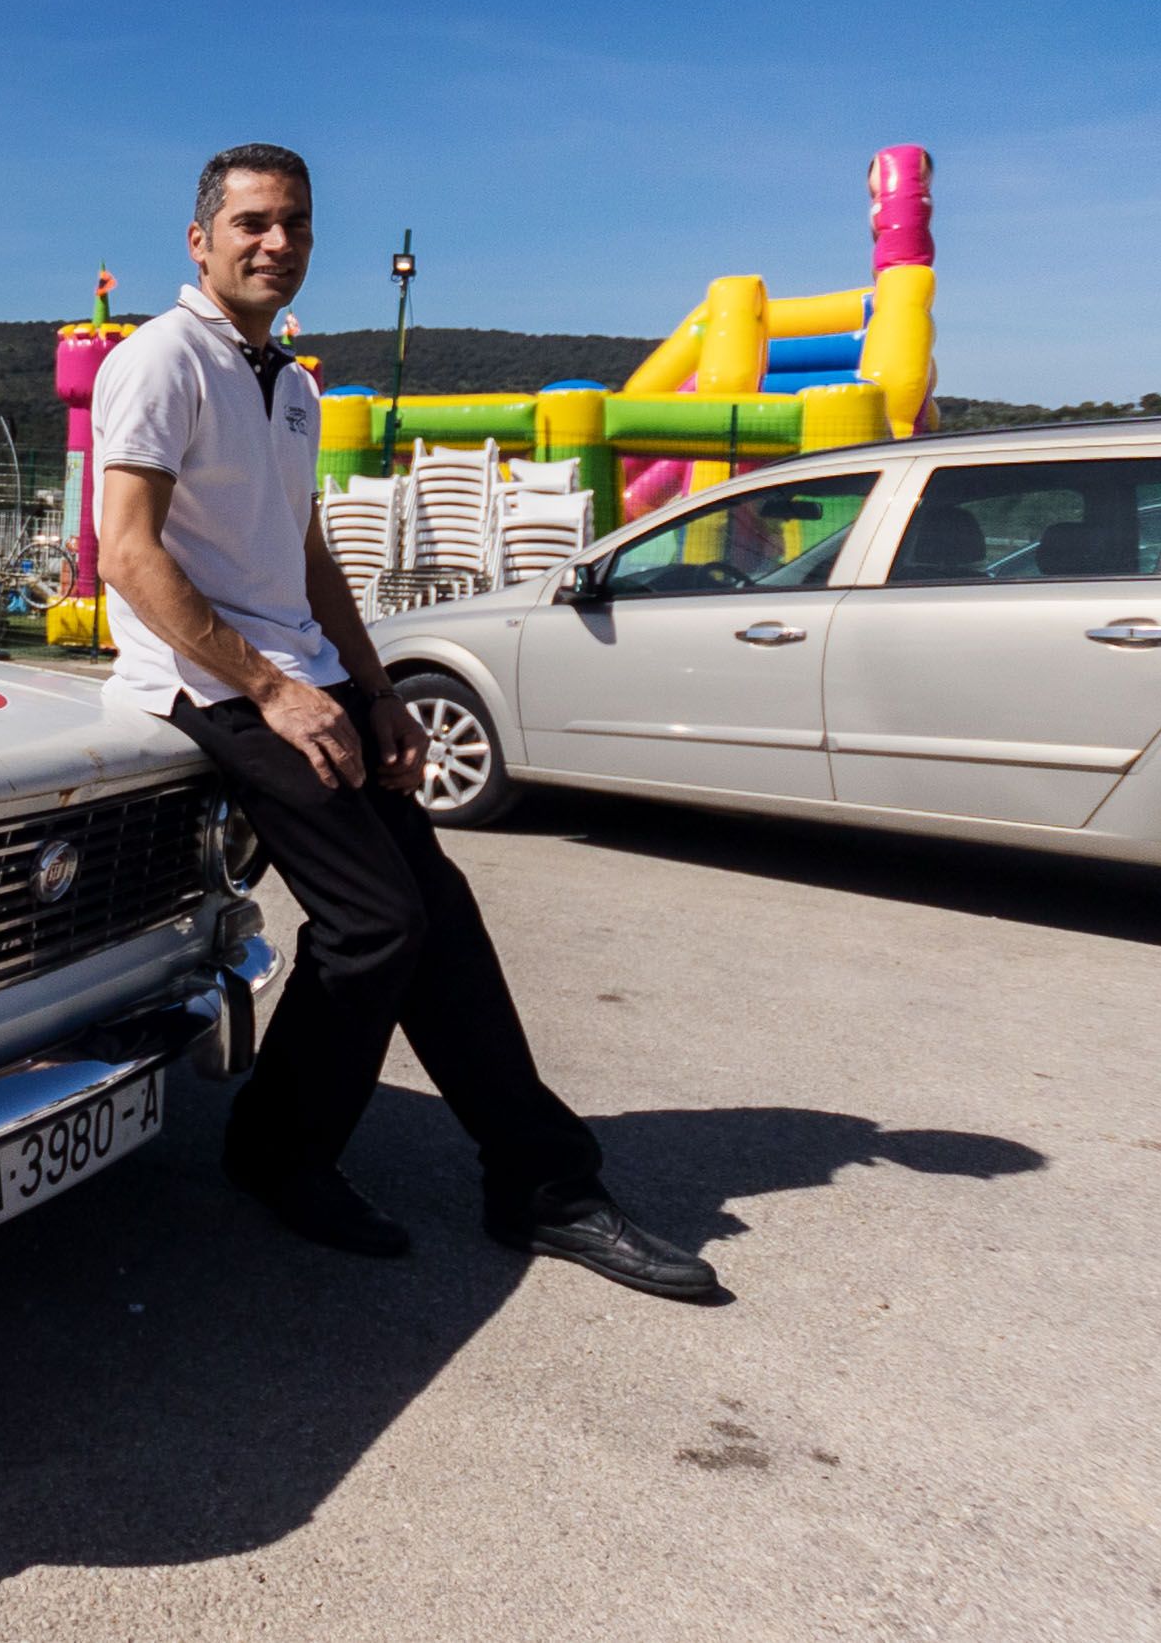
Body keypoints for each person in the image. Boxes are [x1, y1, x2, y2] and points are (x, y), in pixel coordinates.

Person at [94, 143, 717, 1300]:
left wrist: (371, 687)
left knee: (436, 911)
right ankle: (280, 1157)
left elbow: (307, 549)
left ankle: (542, 1185)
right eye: (252, 223)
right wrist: (275, 689)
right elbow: (127, 554)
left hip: (302, 678)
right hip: (211, 687)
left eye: (296, 226)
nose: (276, 243)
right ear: (199, 239)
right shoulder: (159, 362)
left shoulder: (288, 380)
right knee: (377, 922)